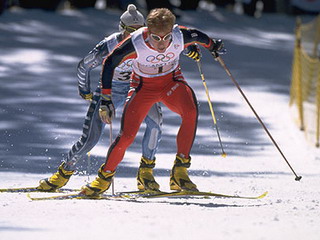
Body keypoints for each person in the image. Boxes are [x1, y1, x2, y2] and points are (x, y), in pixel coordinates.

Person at [81, 8, 225, 197]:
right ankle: (103, 179)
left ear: (172, 31)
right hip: (143, 88)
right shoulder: (136, 41)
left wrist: (213, 46)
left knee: (190, 112)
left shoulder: (181, 35)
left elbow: (201, 37)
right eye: (156, 38)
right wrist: (106, 98)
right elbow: (109, 63)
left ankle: (180, 172)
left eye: (166, 37)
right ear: (148, 31)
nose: (162, 43)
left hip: (171, 83)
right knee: (127, 136)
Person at [36, 4, 164, 192]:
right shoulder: (110, 45)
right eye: (130, 31)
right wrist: (85, 90)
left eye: (140, 30)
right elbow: (84, 66)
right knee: (91, 138)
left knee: (156, 122)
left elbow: (172, 49)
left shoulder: (150, 42)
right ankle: (64, 173)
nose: (135, 35)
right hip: (110, 90)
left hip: (138, 89)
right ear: (122, 28)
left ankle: (146, 174)